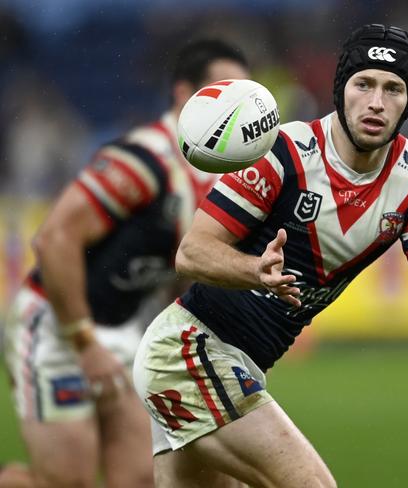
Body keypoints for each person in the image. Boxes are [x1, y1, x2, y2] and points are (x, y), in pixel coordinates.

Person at [132, 23, 408, 487]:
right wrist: (255, 270)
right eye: (364, 84)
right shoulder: (284, 151)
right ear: (341, 90)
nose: (377, 101)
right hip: (189, 352)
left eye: (394, 89)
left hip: (237, 365)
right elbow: (192, 254)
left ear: (407, 102)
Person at [0, 38, 250, 488]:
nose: (236, 105)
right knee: (66, 483)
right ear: (184, 95)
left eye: (244, 93)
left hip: (120, 329)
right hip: (56, 327)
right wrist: (84, 343)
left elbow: (182, 275)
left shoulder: (222, 178)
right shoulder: (145, 160)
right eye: (222, 89)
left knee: (138, 478)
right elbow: (54, 239)